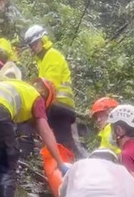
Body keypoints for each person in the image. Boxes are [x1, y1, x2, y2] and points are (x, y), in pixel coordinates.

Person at [23, 25, 87, 158]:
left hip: (60, 105)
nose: (33, 48)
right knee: (59, 140)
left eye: (35, 43)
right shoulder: (44, 60)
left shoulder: (52, 55)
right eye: (31, 45)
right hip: (54, 106)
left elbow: (48, 85)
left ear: (43, 40)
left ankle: (80, 164)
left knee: (65, 142)